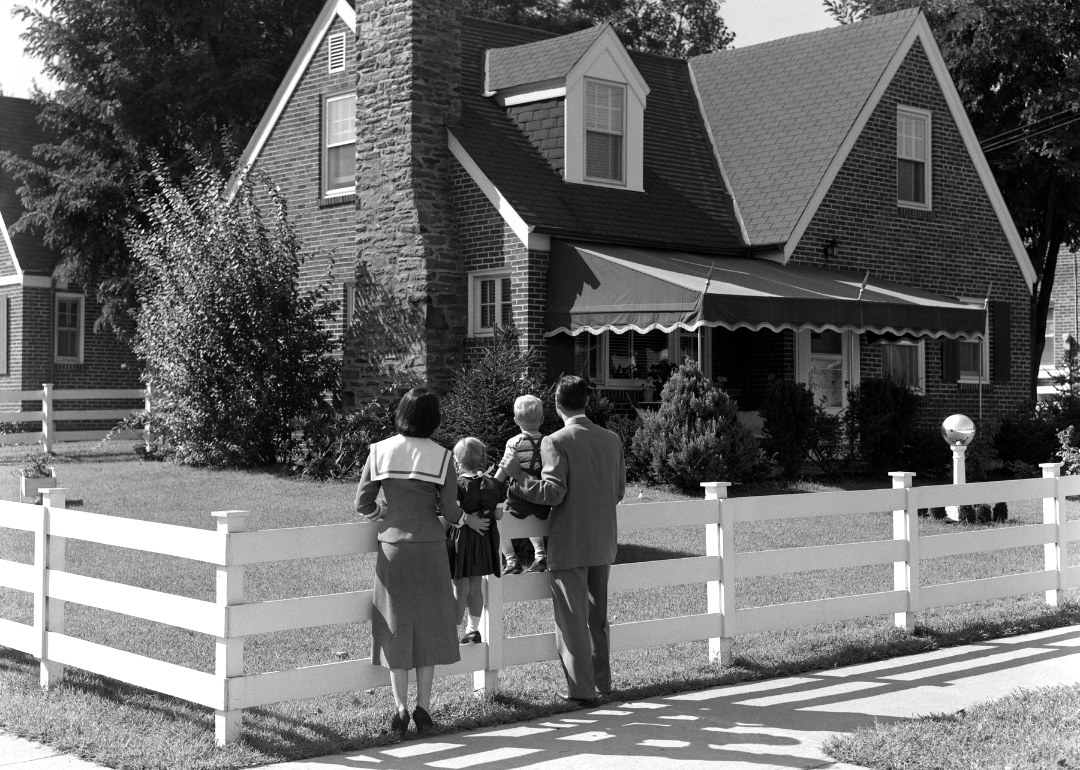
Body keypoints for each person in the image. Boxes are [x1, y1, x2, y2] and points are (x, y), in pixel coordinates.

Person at [355, 387, 488, 736]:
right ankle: (423, 708)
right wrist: (463, 521)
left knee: (395, 625)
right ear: (434, 418)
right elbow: (450, 509)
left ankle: (399, 708)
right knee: (429, 626)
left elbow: (362, 503)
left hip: (393, 546)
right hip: (430, 546)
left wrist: (382, 512)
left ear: (401, 413)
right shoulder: (443, 457)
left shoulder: (379, 451)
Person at [498, 375, 626, 705]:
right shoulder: (612, 439)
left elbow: (553, 493)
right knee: (597, 619)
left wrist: (519, 476)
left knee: (572, 621)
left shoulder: (555, 441)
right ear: (586, 402)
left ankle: (582, 692)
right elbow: (619, 491)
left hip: (569, 541)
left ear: (556, 405)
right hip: (603, 539)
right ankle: (603, 684)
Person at [448, 436, 505, 643]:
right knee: (476, 587)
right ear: (482, 459)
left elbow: (452, 514)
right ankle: (473, 629)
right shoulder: (494, 485)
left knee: (459, 587)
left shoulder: (457, 484)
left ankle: (451, 634)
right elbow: (498, 515)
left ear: (456, 461)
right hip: (483, 541)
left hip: (462, 540)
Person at [497, 394, 551, 574]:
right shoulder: (547, 442)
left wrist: (491, 485)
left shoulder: (514, 442)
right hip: (540, 493)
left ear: (515, 420)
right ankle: (540, 555)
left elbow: (505, 468)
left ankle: (511, 561)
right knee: (534, 522)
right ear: (542, 419)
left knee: (501, 522)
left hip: (518, 494)